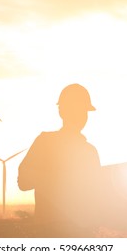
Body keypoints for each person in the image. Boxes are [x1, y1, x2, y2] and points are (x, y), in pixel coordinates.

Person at [18, 83, 101, 237]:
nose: (81, 116)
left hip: (81, 233)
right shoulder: (45, 142)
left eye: (84, 111)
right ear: (62, 112)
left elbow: (97, 194)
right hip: (50, 232)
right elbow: (23, 181)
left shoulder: (90, 151)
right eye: (76, 110)